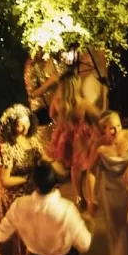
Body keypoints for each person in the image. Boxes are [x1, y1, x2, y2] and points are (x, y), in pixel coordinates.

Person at [0, 104, 45, 255]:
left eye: (27, 124)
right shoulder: (5, 146)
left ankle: (33, 254)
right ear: (10, 126)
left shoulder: (31, 139)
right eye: (20, 125)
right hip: (13, 191)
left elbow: (42, 158)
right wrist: (27, 179)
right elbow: (5, 180)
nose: (24, 129)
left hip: (31, 187)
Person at [93, 110, 128, 255]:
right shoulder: (99, 147)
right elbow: (91, 171)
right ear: (103, 129)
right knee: (116, 227)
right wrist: (90, 198)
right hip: (110, 189)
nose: (116, 131)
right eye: (111, 128)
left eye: (118, 125)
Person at [46, 72, 101, 211]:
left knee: (74, 168)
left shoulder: (57, 101)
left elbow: (51, 115)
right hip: (82, 139)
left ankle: (78, 198)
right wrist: (104, 97)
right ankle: (91, 199)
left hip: (66, 137)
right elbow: (99, 116)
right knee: (89, 167)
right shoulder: (83, 103)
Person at [23, 50, 61, 128]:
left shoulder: (52, 60)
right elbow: (32, 94)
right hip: (42, 111)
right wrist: (50, 81)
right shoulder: (31, 66)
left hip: (55, 107)